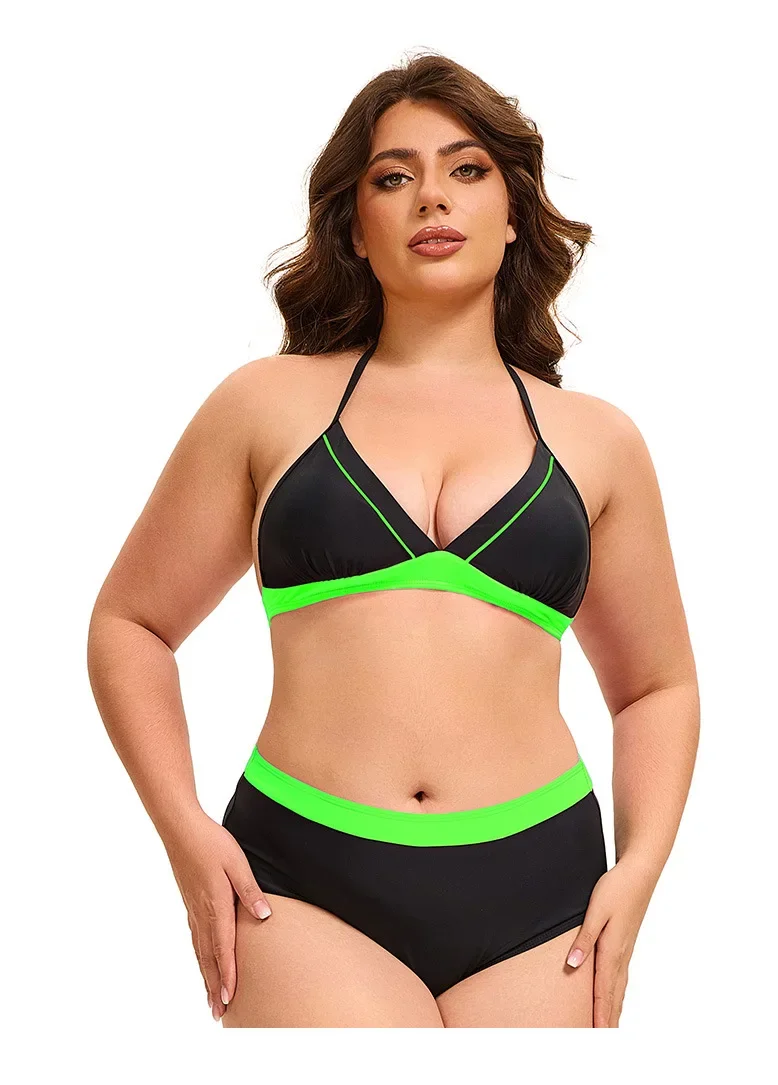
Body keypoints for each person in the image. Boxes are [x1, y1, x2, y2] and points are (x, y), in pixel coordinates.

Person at [86, 52, 700, 1028]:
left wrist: (641, 866)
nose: (430, 197)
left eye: (467, 169)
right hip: (302, 874)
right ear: (355, 229)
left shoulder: (599, 441)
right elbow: (131, 623)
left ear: (512, 212)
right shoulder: (264, 405)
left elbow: (654, 686)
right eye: (392, 176)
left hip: (543, 885)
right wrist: (184, 830)